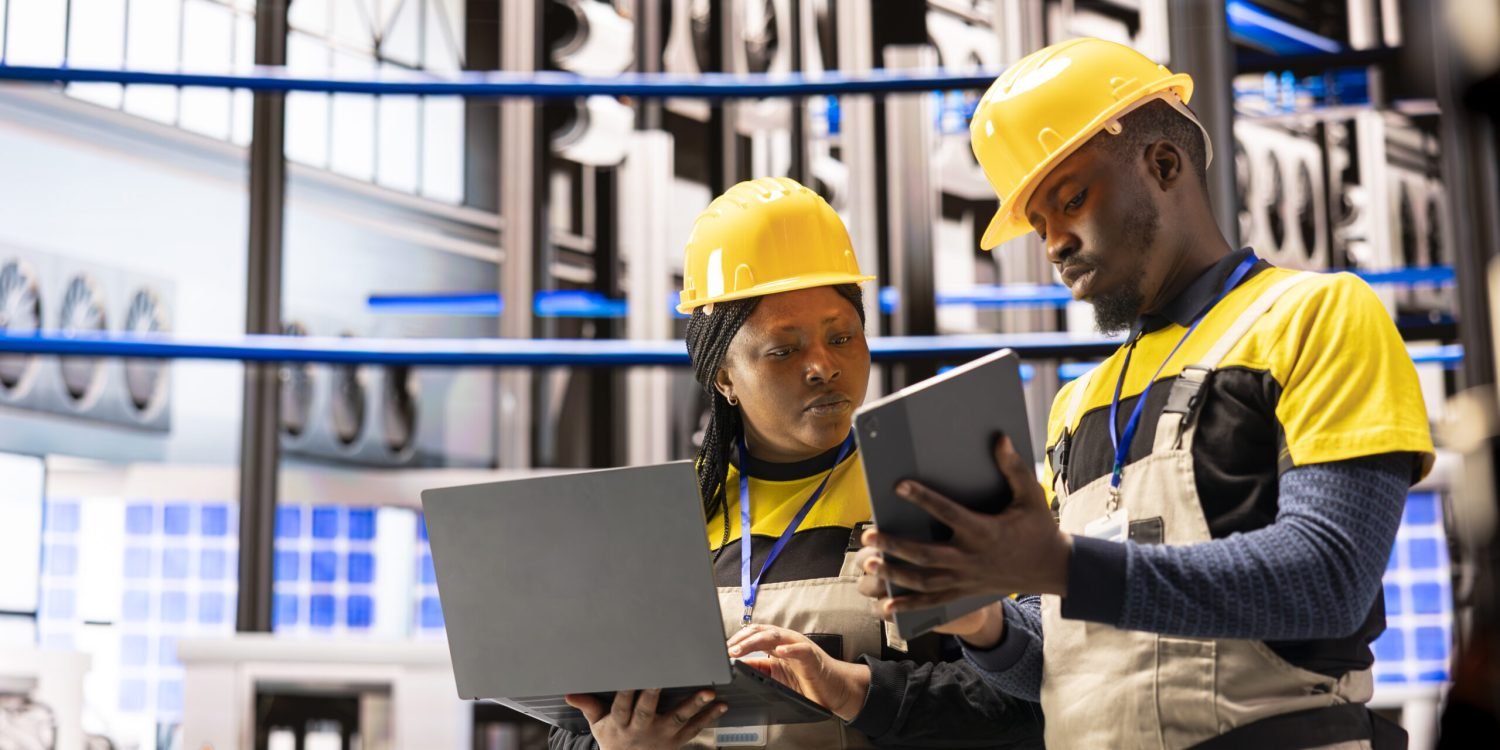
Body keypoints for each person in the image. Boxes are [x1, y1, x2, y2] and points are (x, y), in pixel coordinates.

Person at [855, 38, 1434, 749]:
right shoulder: (1077, 407)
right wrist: (984, 622)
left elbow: (1330, 579)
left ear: (1162, 165)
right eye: (1038, 225)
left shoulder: (1314, 316)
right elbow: (1071, 666)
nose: (1055, 244)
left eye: (1071, 200)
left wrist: (1064, 565)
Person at [548, 177, 1044, 749]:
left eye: (842, 338)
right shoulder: (664, 519)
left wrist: (853, 690)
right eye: (784, 350)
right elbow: (577, 721)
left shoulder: (938, 487)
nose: (822, 367)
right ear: (724, 377)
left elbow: (1028, 698)